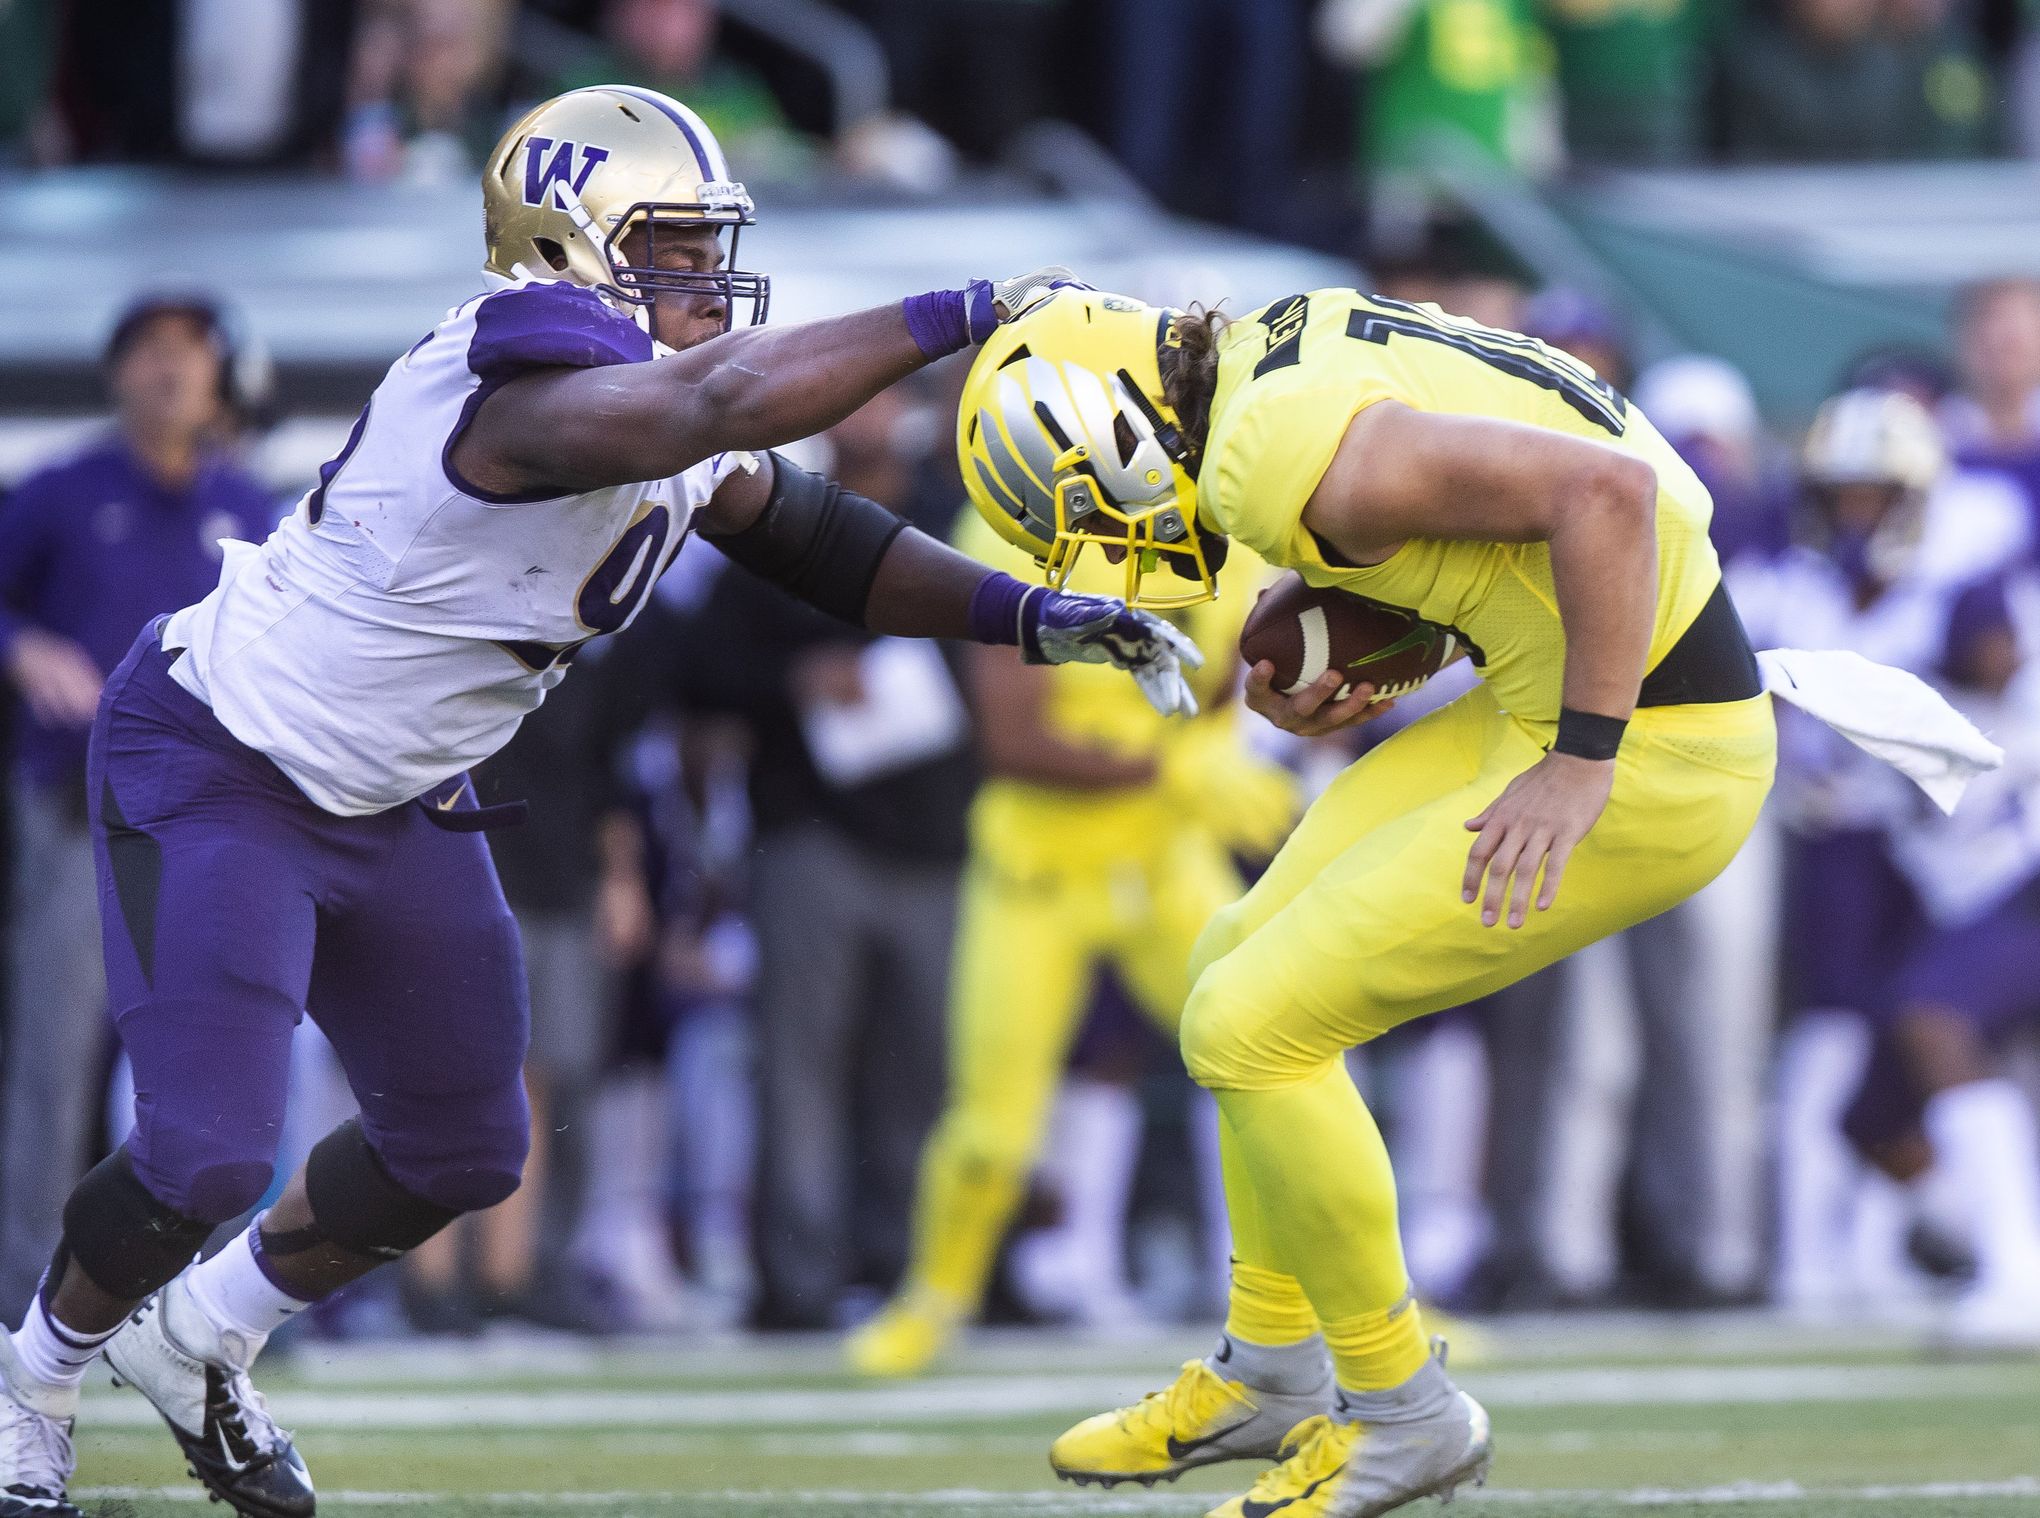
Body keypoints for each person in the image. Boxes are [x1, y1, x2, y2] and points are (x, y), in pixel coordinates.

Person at [0, 85, 1201, 1518]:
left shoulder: (661, 410)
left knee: (461, 1148)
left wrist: (1033, 616)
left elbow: (821, 541)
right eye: (674, 246)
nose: (705, 277)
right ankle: (35, 1379)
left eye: (711, 245)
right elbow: (716, 403)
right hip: (221, 758)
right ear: (567, 245)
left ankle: (203, 1336)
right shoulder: (518, 384)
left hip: (396, 790)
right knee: (206, 1150)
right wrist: (967, 306)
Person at [957, 289, 1990, 1517]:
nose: (1116, 544)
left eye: (1088, 507)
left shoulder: (1265, 448)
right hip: (1558, 688)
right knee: (1230, 961)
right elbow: (1516, 505)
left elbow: (1610, 496)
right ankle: (1272, 1369)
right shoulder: (1279, 342)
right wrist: (1399, 614)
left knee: (1248, 1028)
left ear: (1115, 425)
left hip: (1652, 748)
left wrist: (1584, 759)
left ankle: (1404, 1415)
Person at [844, 503, 1285, 1377]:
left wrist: (1235, 740)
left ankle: (1374, 1294)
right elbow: (1013, 741)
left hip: (1165, 855)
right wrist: (1174, 768)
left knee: (1285, 1066)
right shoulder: (1020, 526)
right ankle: (932, 1301)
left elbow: (1235, 682)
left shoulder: (1230, 530)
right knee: (994, 1133)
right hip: (1037, 871)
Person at [0, 292, 277, 1326]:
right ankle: (25, 1290)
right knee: (53, 1063)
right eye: (150, 351)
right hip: (77, 819)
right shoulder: (60, 494)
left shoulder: (246, 509)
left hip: (206, 836)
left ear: (220, 379)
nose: (169, 370)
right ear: (117, 373)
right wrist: (23, 648)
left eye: (190, 353)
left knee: (205, 1073)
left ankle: (204, 1302)